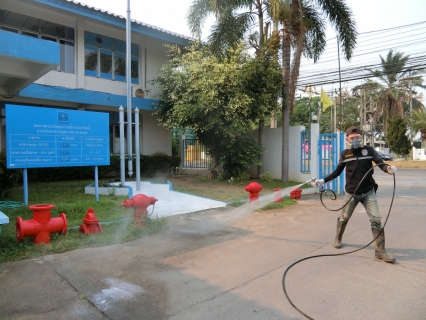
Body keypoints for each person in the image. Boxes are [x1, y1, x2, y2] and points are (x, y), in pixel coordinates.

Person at [312, 126, 397, 263]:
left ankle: (380, 251)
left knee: (376, 219)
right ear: (347, 139)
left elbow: (380, 163)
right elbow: (337, 172)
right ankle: (338, 237)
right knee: (344, 217)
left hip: (369, 192)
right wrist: (322, 181)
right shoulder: (345, 154)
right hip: (351, 193)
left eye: (358, 137)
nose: (356, 140)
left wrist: (388, 168)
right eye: (353, 138)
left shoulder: (369, 151)